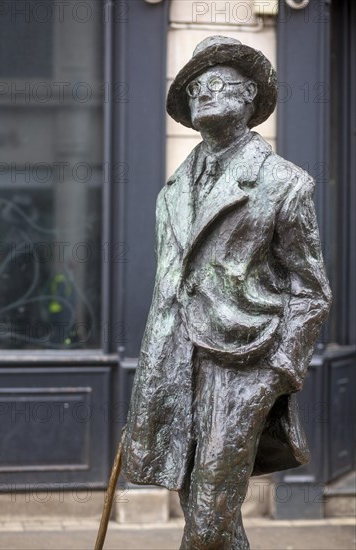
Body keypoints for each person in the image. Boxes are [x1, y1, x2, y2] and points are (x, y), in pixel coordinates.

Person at [122, 36, 332, 549]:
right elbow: (171, 285)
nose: (202, 94)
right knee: (207, 510)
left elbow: (311, 292)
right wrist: (151, 370)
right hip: (174, 361)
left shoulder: (284, 184)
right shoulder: (173, 189)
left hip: (244, 363)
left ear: (248, 96)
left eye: (216, 84)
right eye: (195, 88)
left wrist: (278, 373)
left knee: (210, 516)